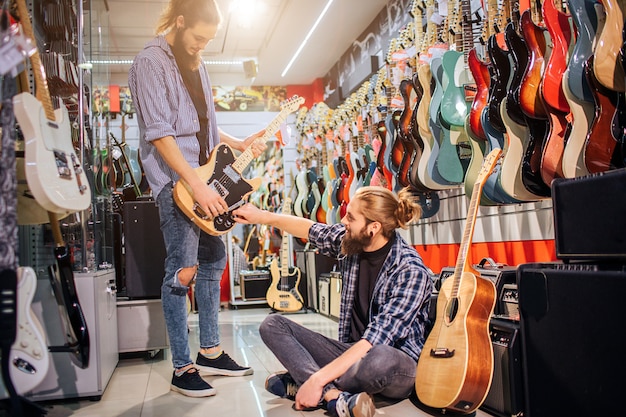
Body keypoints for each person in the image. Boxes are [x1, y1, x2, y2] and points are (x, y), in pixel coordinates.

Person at [128, 0, 266, 398]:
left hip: (205, 181)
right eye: (199, 38)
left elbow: (204, 127)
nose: (202, 47)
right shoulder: (149, 63)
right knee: (183, 269)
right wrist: (196, 185)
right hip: (177, 186)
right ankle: (181, 366)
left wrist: (239, 142)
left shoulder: (197, 64)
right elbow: (160, 133)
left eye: (209, 41)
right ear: (180, 21)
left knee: (214, 260)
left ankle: (210, 351)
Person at [234, 186, 433, 417]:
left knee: (379, 359)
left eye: (351, 217)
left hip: (396, 364)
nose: (343, 221)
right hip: (351, 353)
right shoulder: (352, 241)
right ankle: (333, 397)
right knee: (272, 325)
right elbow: (310, 229)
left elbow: (374, 340)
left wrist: (317, 378)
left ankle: (306, 381)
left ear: (373, 228)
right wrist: (262, 216)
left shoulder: (409, 270)